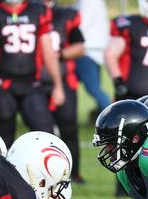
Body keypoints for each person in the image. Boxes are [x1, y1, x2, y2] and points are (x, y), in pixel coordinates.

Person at [0, 0, 65, 147]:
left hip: (32, 84)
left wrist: (58, 86)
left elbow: (49, 53)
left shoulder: (38, 10)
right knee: (3, 140)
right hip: (1, 85)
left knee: (45, 135)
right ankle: (3, 170)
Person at [42, 0, 85, 183]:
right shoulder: (27, 12)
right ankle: (41, 172)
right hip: (34, 82)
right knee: (41, 131)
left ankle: (73, 173)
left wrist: (57, 54)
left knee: (69, 128)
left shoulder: (66, 15)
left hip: (64, 80)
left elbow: (79, 47)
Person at [75, 0, 111, 120]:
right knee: (94, 87)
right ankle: (103, 114)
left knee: (93, 88)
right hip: (93, 50)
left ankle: (112, 115)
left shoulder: (88, 2)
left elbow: (81, 24)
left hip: (87, 50)